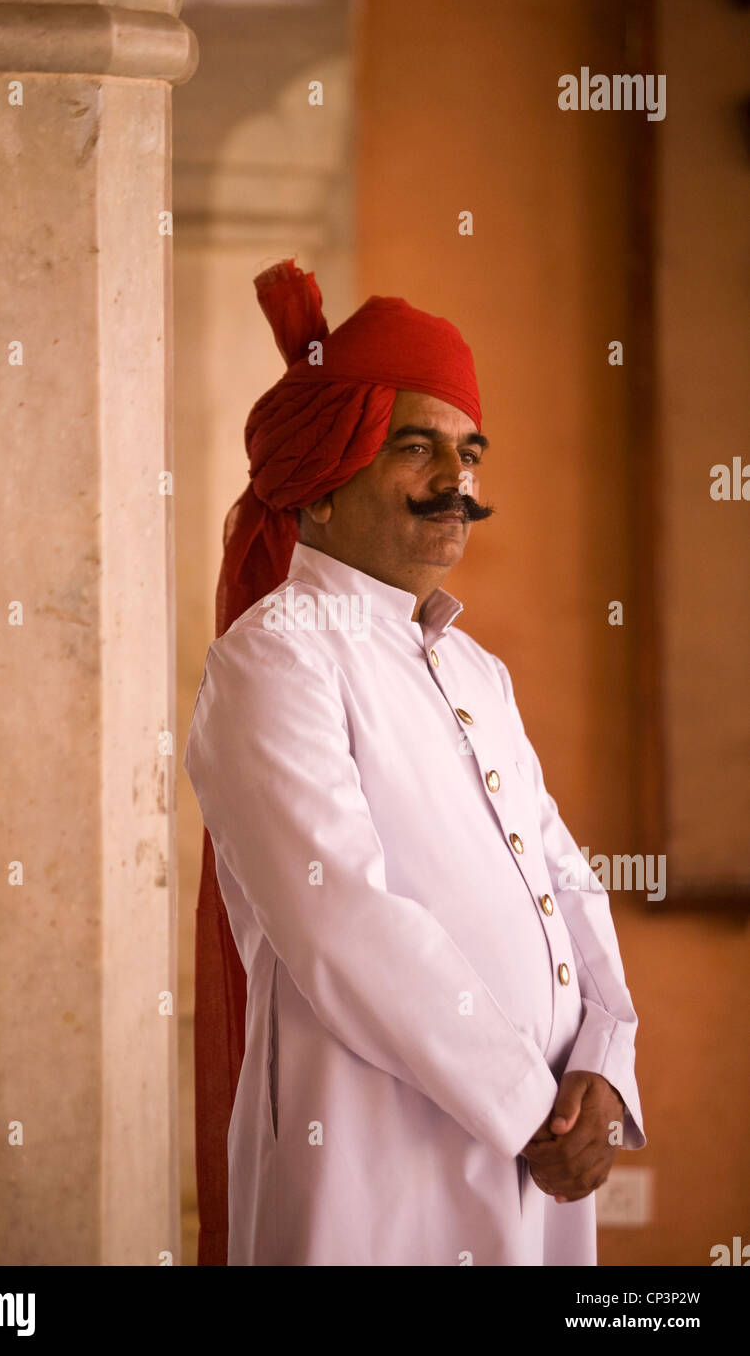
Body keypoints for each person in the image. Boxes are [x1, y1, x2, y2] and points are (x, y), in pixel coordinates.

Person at [184, 259, 645, 1266]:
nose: (456, 482)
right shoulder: (273, 658)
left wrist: (604, 1062)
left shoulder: (475, 670)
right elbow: (341, 919)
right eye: (415, 447)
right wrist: (531, 1108)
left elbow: (563, 873)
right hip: (374, 1165)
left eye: (468, 452)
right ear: (321, 476)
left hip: (540, 1150)